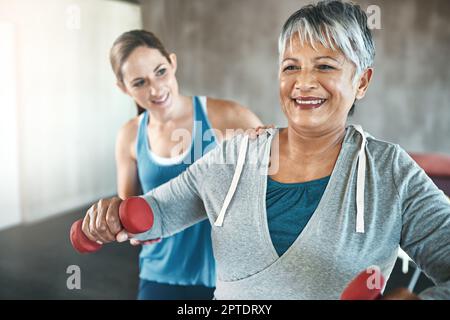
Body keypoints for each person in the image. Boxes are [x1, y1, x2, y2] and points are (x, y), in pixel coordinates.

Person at [82, 1, 450, 299]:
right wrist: (116, 213)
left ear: (362, 81)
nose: (304, 83)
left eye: (324, 65)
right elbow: (158, 210)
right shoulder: (234, 155)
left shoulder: (392, 173)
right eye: (291, 67)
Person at [83, 30, 263, 300]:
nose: (155, 89)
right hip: (161, 273)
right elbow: (131, 213)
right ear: (123, 87)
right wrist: (128, 228)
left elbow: (274, 188)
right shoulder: (129, 136)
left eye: (160, 72)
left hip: (228, 276)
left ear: (173, 63)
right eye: (140, 82)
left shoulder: (229, 116)